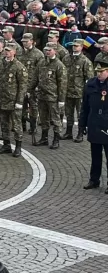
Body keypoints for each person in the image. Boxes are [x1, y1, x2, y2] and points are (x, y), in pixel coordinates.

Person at [0, 43, 27, 157]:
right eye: (6, 50)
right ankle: (6, 144)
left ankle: (18, 146)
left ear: (14, 52)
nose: (6, 52)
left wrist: (19, 101)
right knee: (4, 123)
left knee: (16, 125)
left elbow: (22, 86)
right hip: (2, 99)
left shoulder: (19, 67)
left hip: (13, 101)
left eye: (9, 50)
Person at [31, 43, 67, 149]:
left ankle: (56, 139)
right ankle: (44, 138)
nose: (47, 52)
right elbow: (35, 77)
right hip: (42, 95)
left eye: (49, 50)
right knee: (43, 118)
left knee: (55, 119)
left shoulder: (59, 65)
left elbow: (63, 84)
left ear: (55, 51)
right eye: (46, 50)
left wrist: (61, 99)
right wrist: (30, 89)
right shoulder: (41, 63)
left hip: (53, 97)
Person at [80, 63, 108, 191]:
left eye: (101, 72)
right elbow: (85, 107)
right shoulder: (91, 84)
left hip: (106, 124)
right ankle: (94, 180)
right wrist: (82, 124)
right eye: (97, 72)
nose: (99, 74)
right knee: (95, 155)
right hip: (94, 122)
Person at [63, 39, 94, 141]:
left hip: (79, 92)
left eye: (76, 46)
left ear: (81, 47)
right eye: (73, 45)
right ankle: (68, 132)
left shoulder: (85, 61)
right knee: (68, 113)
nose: (74, 47)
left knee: (81, 114)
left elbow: (89, 79)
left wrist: (87, 93)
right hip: (68, 91)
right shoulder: (66, 58)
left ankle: (80, 133)